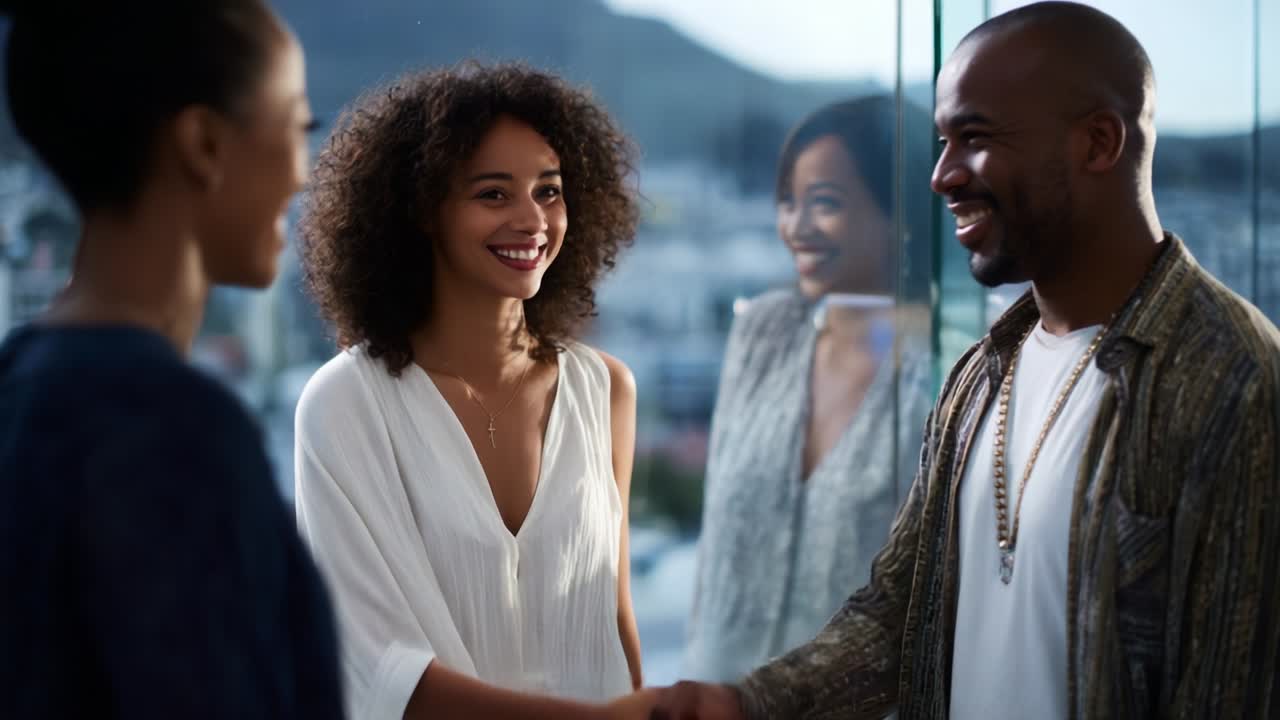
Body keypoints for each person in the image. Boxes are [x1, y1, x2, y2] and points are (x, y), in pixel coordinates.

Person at [650, 2, 1280, 718]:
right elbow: (899, 613)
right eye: (943, 142)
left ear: (1099, 142)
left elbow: (1233, 691)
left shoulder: (1236, 379)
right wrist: (745, 704)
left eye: (974, 139)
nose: (942, 176)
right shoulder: (983, 372)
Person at [0, 1, 344, 718]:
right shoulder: (172, 432)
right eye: (297, 128)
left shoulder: (21, 384)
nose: (305, 173)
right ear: (204, 144)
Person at [293, 63, 655, 719]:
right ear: (422, 210)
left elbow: (614, 619)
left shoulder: (606, 390)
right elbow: (377, 669)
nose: (532, 220)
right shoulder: (345, 405)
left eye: (549, 191)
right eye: (493, 194)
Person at [683, 96, 932, 683]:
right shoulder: (762, 332)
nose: (795, 227)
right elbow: (712, 551)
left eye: (824, 204)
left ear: (899, 214)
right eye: (787, 202)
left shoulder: (945, 365)